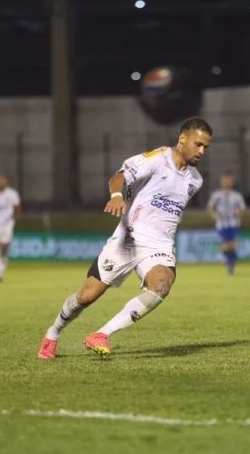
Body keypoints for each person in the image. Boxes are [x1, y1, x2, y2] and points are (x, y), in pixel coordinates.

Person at [38, 117, 213, 359]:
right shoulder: (157, 159)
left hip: (160, 245)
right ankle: (53, 332)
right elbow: (118, 177)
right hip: (128, 239)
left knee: (162, 285)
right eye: (198, 144)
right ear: (182, 139)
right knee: (86, 296)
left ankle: (101, 334)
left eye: (206, 147)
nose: (202, 151)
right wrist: (117, 195)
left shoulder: (195, 180)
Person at [207, 172, 246, 274]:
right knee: (225, 245)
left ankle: (231, 263)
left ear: (232, 182)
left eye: (229, 180)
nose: (227, 182)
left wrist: (239, 213)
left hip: (233, 223)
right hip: (221, 224)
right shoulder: (217, 195)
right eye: (225, 180)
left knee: (232, 245)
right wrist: (213, 214)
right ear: (222, 181)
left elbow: (242, 209)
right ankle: (230, 262)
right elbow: (210, 207)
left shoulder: (236, 196)